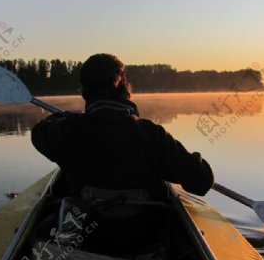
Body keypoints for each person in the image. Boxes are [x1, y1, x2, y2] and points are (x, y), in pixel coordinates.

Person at [31, 53, 214, 198]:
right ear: (125, 88)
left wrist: (65, 116)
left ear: (85, 92)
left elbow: (38, 133)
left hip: (86, 235)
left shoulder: (67, 130)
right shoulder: (152, 134)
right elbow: (202, 180)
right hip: (142, 236)